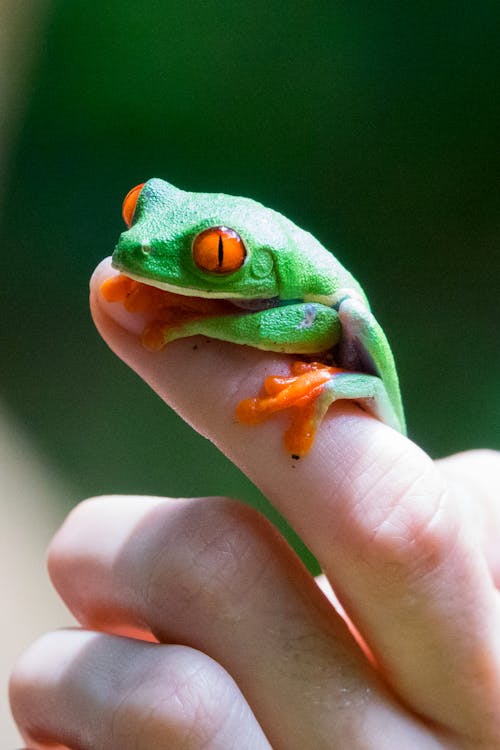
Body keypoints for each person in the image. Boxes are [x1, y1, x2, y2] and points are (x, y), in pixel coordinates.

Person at [9, 261, 500, 749]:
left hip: (331, 330)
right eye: (135, 207)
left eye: (214, 252)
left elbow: (325, 322)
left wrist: (200, 321)